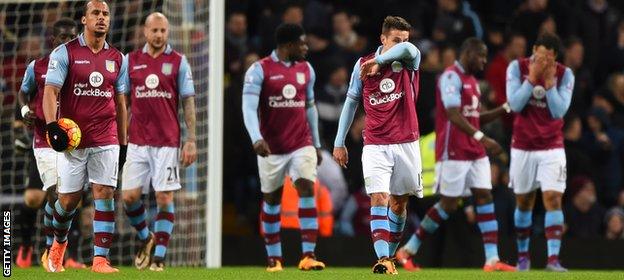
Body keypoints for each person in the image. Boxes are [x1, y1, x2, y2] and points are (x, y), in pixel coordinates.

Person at [395, 38, 515, 272]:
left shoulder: (473, 82)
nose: (483, 62)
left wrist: (503, 109)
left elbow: (474, 118)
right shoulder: (450, 77)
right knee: (448, 204)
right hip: (453, 151)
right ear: (469, 52)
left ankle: (492, 259)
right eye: (481, 56)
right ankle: (407, 250)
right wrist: (483, 138)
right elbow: (452, 114)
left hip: (474, 152)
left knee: (484, 196)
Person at [42, 0, 128, 273]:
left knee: (104, 193)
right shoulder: (64, 53)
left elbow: (122, 104)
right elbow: (50, 93)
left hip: (106, 138)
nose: (101, 18)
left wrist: (124, 142)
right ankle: (58, 244)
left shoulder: (118, 59)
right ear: (84, 19)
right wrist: (52, 126)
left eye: (105, 14)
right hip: (73, 141)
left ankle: (100, 260)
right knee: (68, 201)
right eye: (96, 13)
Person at [333, 16, 423, 275]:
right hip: (375, 143)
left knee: (398, 204)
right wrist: (340, 142)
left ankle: (390, 257)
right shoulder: (361, 65)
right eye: (395, 40)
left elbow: (411, 49)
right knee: (379, 197)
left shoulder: (408, 59)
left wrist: (380, 61)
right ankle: (383, 258)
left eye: (404, 39)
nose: (401, 45)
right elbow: (351, 102)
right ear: (382, 39)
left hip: (407, 142)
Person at [242, 23, 325, 272]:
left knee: (306, 187)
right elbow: (248, 107)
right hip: (272, 147)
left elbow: (310, 107)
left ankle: (308, 255)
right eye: (302, 43)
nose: (306, 48)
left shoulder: (306, 69)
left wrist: (317, 143)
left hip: (301, 143)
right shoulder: (259, 70)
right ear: (289, 45)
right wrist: (256, 138)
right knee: (272, 199)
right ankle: (274, 259)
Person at [121, 12, 196, 272]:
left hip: (167, 142)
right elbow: (124, 102)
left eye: (163, 31)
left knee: (164, 197)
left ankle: (160, 259)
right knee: (129, 197)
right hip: (138, 140)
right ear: (145, 32)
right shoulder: (131, 61)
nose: (159, 35)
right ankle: (146, 237)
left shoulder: (178, 61)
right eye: (154, 31)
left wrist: (191, 140)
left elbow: (187, 100)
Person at [15, 18, 88, 271]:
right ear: (53, 39)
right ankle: (48, 250)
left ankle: (62, 252)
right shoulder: (38, 67)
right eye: (62, 37)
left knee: (68, 198)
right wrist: (25, 110)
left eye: (71, 36)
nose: (67, 41)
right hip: (45, 141)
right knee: (51, 194)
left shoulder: (83, 67)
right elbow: (23, 92)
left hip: (74, 141)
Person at [506, 33, 575, 272]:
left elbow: (558, 112)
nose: (543, 60)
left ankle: (553, 260)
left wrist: (549, 84)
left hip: (552, 146)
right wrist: (531, 79)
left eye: (548, 57)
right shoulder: (517, 67)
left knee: (553, 198)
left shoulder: (565, 74)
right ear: (534, 49)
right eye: (539, 54)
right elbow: (514, 105)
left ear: (555, 57)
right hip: (523, 145)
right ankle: (523, 257)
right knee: (524, 202)